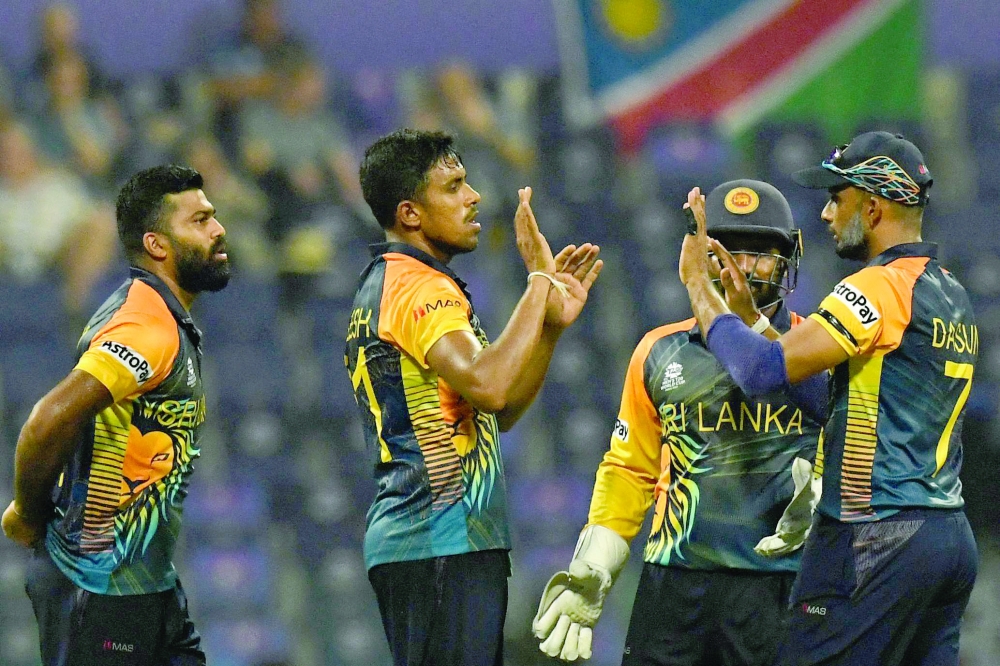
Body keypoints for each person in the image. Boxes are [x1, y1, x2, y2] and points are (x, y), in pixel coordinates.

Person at [678, 132, 978, 666]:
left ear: (872, 205)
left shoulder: (876, 287)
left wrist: (701, 289)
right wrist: (751, 319)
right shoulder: (949, 291)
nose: (824, 214)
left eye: (835, 198)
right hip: (947, 536)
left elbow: (758, 373)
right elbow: (833, 400)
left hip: (874, 533)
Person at [532, 180, 825, 665]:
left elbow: (854, 450)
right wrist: (596, 565)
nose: (742, 269)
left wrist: (822, 489)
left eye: (760, 253)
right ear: (701, 257)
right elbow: (629, 469)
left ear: (786, 260)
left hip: (782, 586)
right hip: (674, 586)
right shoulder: (657, 351)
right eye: (726, 252)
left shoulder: (819, 348)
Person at [347, 128, 603, 666]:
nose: (474, 196)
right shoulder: (418, 287)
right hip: (438, 540)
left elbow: (500, 409)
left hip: (444, 544)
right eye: (454, 186)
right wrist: (538, 280)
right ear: (411, 213)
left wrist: (549, 328)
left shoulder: (396, 282)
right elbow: (489, 383)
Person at [1, 164, 231, 665]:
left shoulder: (158, 312)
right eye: (199, 221)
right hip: (96, 589)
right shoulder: (144, 325)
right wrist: (27, 510)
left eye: (212, 217)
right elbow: (47, 419)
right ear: (157, 245)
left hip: (146, 585)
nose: (218, 230)